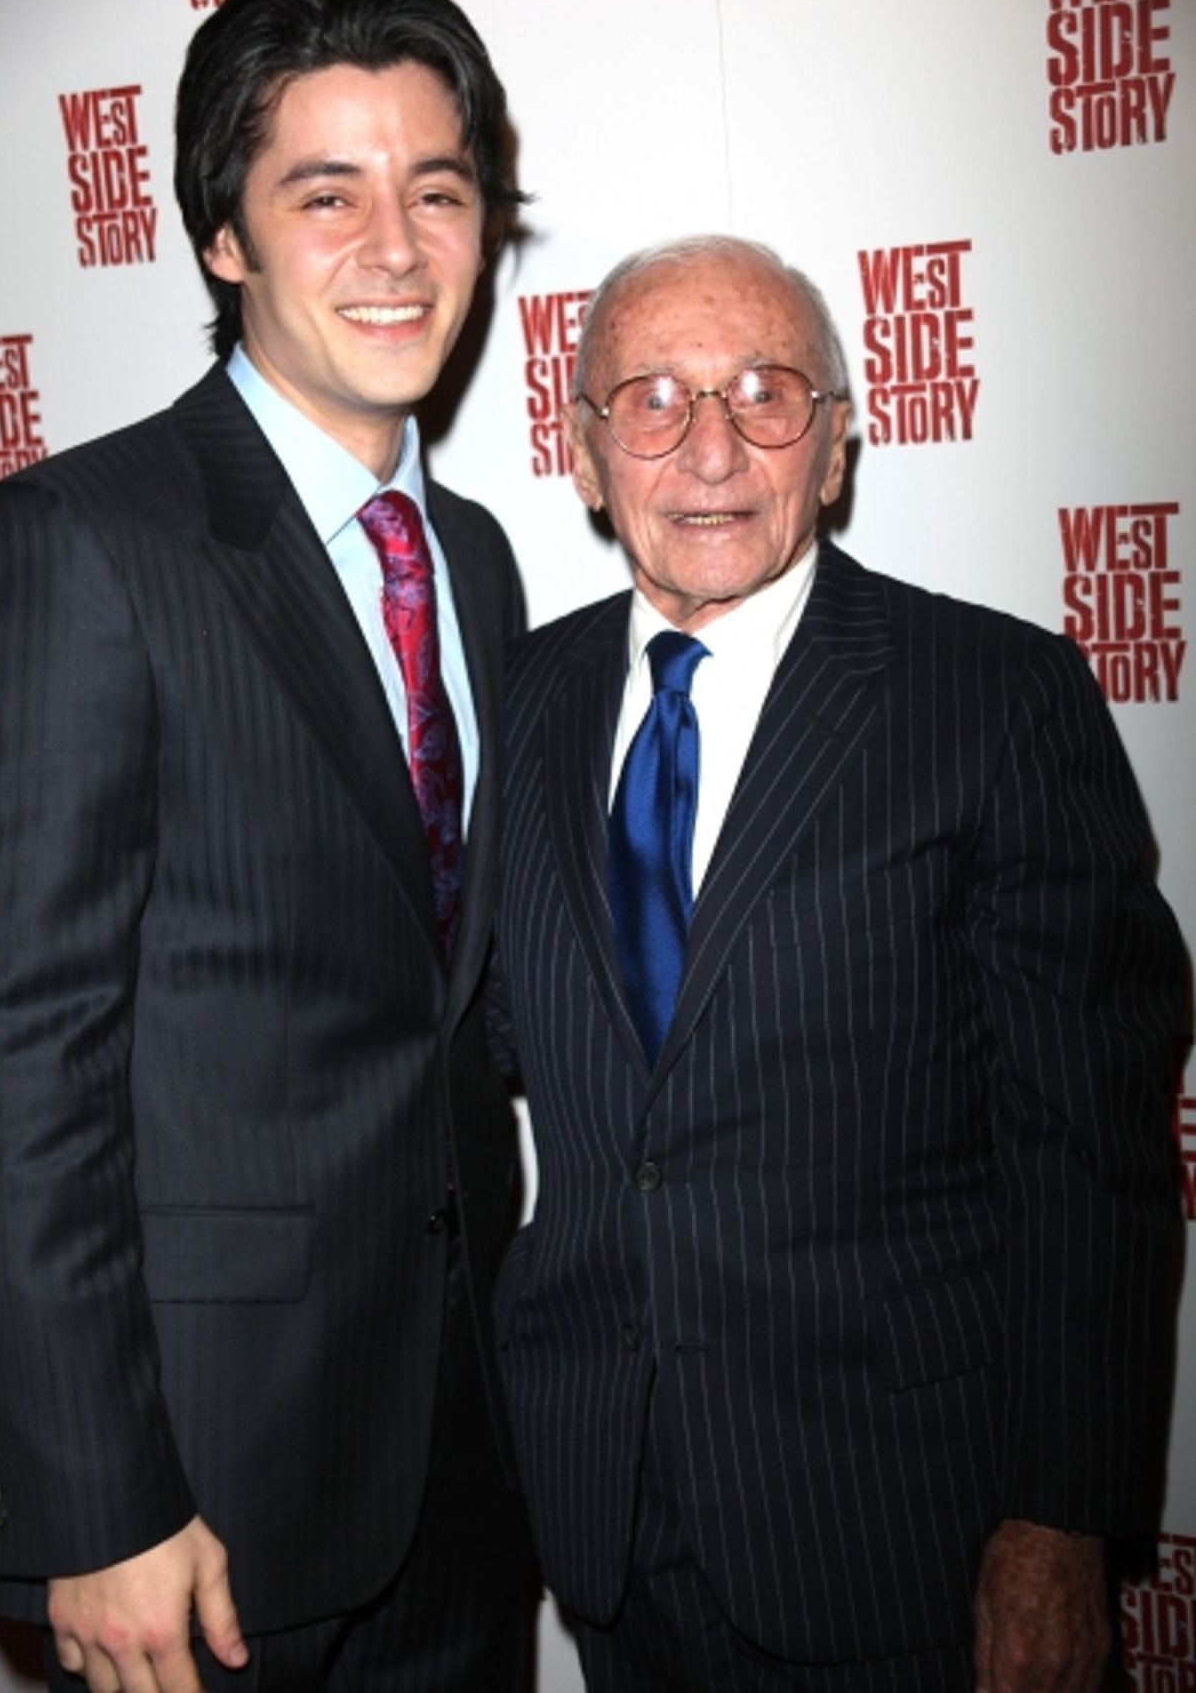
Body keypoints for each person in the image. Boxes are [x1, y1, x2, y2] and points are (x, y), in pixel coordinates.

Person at [489, 234, 1184, 1691]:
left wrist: (1058, 1524)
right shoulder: (523, 698)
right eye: (654, 399)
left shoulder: (994, 698)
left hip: (898, 1526)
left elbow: (1090, 1151)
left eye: (764, 391)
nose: (711, 448)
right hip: (607, 1517)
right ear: (584, 451)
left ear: (839, 437)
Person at [0, 0, 536, 1693]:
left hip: (467, 1455)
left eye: (437, 189)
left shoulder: (478, 563)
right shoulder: (89, 538)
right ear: (223, 238)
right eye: (327, 193)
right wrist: (96, 1499)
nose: (397, 245)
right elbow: (27, 1048)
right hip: (203, 1504)